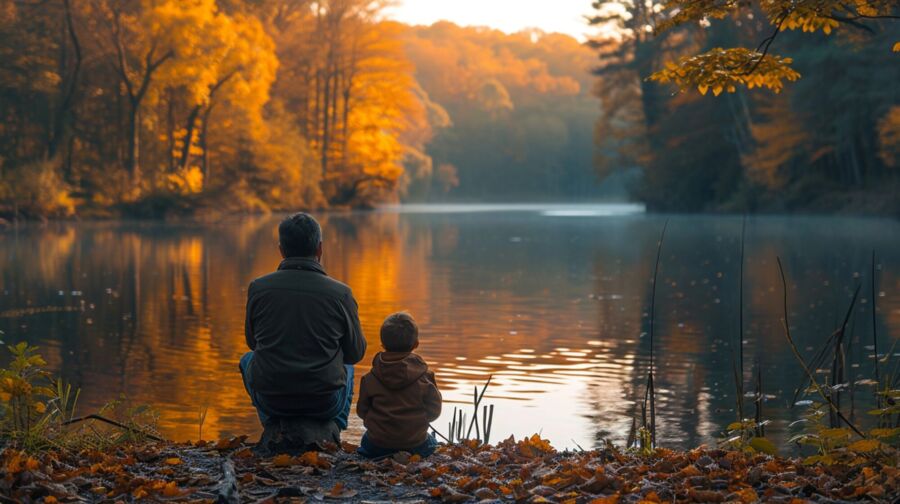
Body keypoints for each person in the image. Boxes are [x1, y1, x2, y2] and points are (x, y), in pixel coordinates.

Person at [239, 213, 366, 431]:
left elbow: (253, 343)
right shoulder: (341, 294)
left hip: (272, 401)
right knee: (348, 366)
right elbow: (355, 353)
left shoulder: (258, 288)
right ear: (320, 249)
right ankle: (334, 427)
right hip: (324, 404)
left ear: (281, 250)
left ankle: (272, 424)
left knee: (247, 359)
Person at [356, 312, 442, 458]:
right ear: (416, 344)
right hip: (415, 444)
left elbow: (362, 411)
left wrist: (378, 425)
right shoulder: (425, 377)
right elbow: (434, 411)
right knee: (433, 443)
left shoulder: (369, 379)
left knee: (366, 439)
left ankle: (371, 454)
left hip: (378, 444)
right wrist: (416, 423)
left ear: (382, 344)